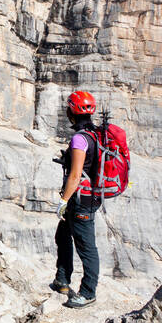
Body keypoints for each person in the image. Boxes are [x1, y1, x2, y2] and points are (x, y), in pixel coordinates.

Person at [52, 90, 102, 308]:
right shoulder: (95, 134)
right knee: (63, 235)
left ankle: (88, 292)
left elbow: (75, 174)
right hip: (84, 196)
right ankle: (62, 280)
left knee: (86, 246)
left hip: (81, 199)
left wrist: (63, 200)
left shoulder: (80, 139)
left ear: (71, 111)